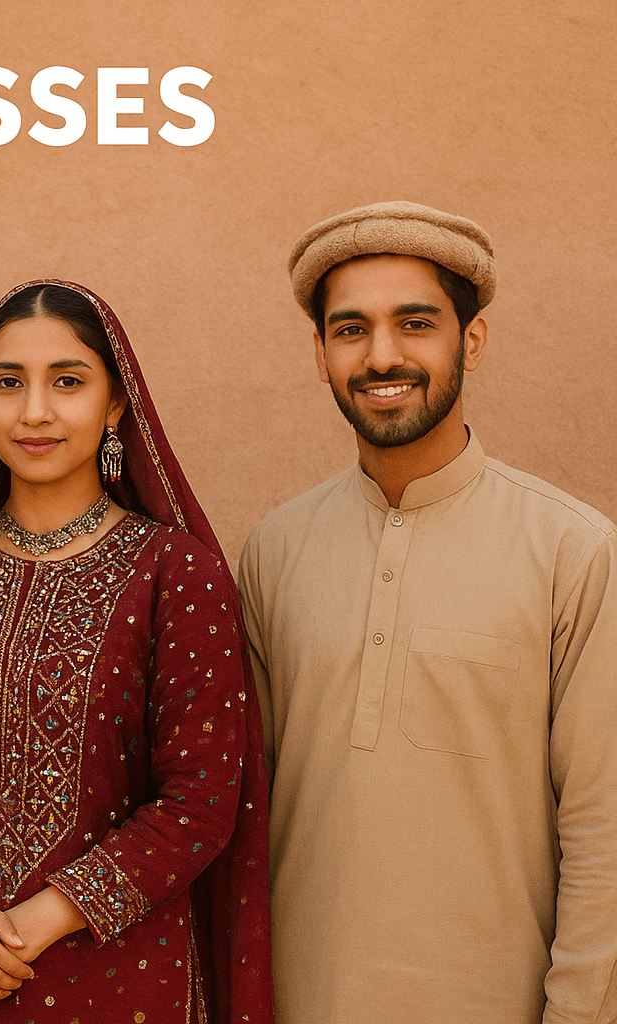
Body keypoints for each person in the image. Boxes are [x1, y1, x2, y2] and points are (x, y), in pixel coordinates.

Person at [238, 201, 617, 1023]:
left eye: (415, 324)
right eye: (350, 330)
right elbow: (243, 815)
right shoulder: (275, 551)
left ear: (469, 341)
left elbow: (604, 831)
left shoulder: (574, 552)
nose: (382, 356)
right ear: (320, 353)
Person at [0, 281, 274, 1023]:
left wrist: (22, 933)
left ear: (116, 404)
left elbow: (200, 804)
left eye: (67, 381)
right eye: (7, 384)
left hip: (120, 980)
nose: (34, 411)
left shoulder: (174, 573)